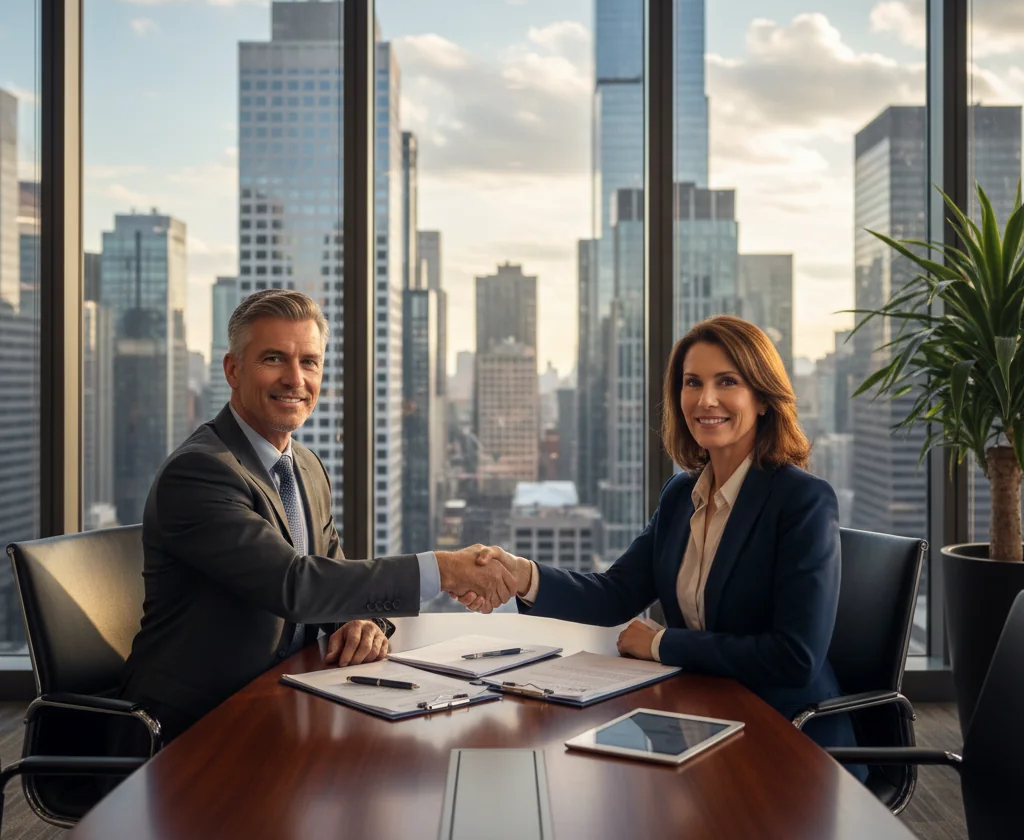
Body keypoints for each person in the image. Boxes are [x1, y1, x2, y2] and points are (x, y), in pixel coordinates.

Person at [118, 290, 515, 742]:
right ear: (232, 369)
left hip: (282, 700)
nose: (295, 379)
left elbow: (335, 576)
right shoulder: (200, 472)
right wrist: (443, 570)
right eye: (274, 359)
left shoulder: (305, 466)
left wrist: (359, 621)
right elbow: (296, 585)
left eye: (309, 362)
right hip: (193, 726)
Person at [460, 314, 862, 757]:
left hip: (787, 735)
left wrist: (660, 642)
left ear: (763, 398)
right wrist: (523, 576)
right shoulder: (681, 494)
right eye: (692, 383)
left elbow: (795, 657)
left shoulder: (802, 500)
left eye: (727, 381)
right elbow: (616, 594)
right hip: (700, 714)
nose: (706, 400)